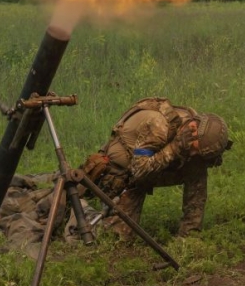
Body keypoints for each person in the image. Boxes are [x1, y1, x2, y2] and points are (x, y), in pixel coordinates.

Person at [80, 97, 232, 240]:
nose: (192, 154)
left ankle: (190, 234)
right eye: (194, 149)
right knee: (114, 237)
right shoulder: (159, 127)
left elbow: (194, 160)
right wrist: (175, 148)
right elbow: (138, 171)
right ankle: (81, 209)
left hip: (153, 168)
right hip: (125, 172)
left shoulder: (194, 130)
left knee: (197, 167)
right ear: (192, 127)